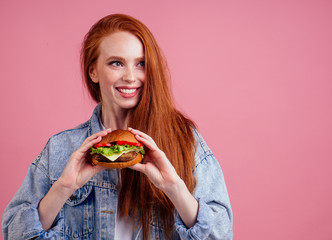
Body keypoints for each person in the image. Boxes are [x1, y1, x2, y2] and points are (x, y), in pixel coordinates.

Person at [2, 14, 233, 239]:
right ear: (93, 71)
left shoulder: (185, 139)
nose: (131, 77)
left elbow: (221, 235)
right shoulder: (61, 148)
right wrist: (63, 187)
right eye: (116, 63)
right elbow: (13, 233)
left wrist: (174, 187)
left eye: (141, 64)